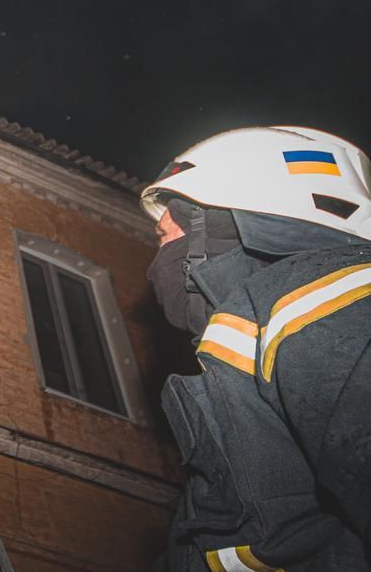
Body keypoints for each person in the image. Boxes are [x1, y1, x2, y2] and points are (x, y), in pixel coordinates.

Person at [142, 126, 371, 570]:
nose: (156, 264)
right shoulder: (251, 338)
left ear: (222, 226)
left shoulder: (322, 304)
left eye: (166, 237)